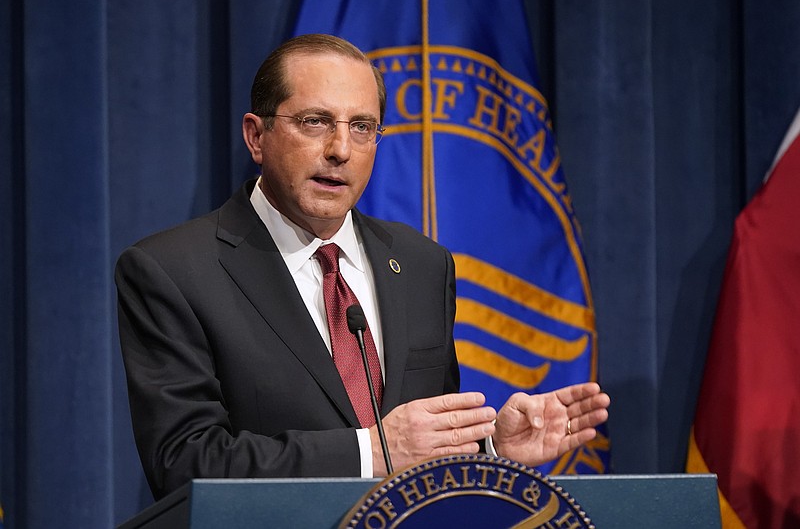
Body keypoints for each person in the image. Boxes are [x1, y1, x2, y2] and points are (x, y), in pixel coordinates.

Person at [116, 33, 610, 501]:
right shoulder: (174, 272)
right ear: (256, 136)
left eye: (362, 127)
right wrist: (370, 451)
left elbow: (418, 453)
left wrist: (490, 449)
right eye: (315, 121)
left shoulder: (422, 265)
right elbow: (185, 464)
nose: (340, 149)